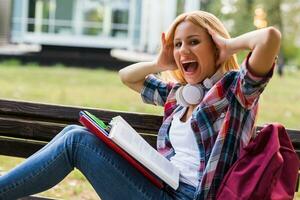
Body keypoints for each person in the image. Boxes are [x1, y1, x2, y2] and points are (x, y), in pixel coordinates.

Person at [0, 10, 280, 200]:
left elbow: (269, 38)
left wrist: (229, 44)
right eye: (178, 44)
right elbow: (128, 77)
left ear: (215, 47)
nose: (183, 51)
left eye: (194, 42)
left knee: (76, 142)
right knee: (76, 134)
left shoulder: (235, 92)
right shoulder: (183, 96)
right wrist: (161, 63)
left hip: (188, 196)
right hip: (162, 187)